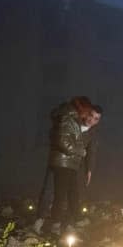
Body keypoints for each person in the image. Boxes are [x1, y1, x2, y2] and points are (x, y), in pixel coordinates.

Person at [47, 96, 95, 231]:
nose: (87, 115)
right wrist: (81, 151)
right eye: (87, 112)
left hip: (69, 162)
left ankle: (76, 219)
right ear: (82, 108)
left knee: (73, 192)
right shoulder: (67, 119)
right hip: (63, 162)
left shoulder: (73, 119)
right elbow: (63, 142)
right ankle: (55, 224)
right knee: (60, 194)